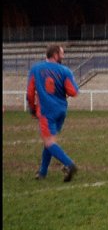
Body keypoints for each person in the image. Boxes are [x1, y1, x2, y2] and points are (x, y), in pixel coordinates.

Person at [26, 44, 80, 181]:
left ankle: (69, 164)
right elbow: (73, 92)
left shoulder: (36, 69)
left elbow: (30, 93)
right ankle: (42, 172)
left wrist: (32, 108)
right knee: (49, 141)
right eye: (62, 54)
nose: (63, 56)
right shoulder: (65, 71)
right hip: (61, 111)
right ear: (55, 54)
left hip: (46, 111)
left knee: (49, 141)